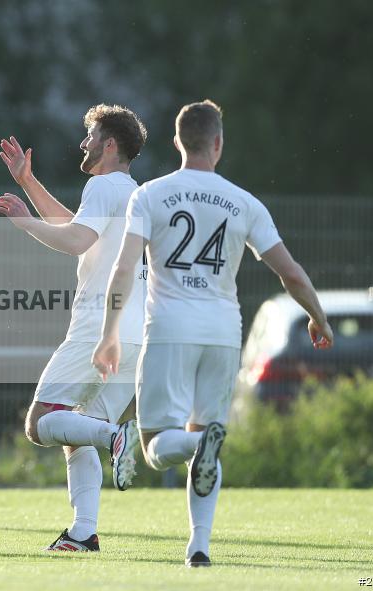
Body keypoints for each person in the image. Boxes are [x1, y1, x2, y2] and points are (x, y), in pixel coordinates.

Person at [92, 100, 333, 566]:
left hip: (169, 330)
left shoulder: (151, 195)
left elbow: (124, 269)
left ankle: (198, 453)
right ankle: (199, 546)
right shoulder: (245, 202)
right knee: (204, 439)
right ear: (218, 143)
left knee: (158, 447)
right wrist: (318, 317)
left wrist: (109, 333)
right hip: (224, 333)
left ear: (178, 141)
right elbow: (293, 276)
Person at [0, 104, 147, 552]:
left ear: (110, 145)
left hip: (96, 330)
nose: (84, 143)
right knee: (74, 430)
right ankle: (83, 533)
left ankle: (115, 437)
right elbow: (78, 226)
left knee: (41, 423)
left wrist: (23, 220)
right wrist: (28, 181)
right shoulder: (131, 191)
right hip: (133, 334)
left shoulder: (102, 184)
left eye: (91, 136)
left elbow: (76, 240)